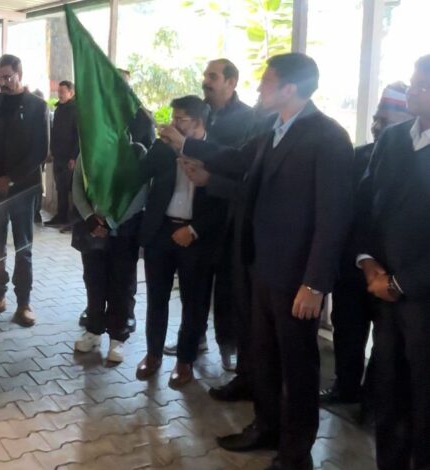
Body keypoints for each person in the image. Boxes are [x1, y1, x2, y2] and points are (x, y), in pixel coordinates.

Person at [167, 53, 354, 470]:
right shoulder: (274, 130)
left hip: (297, 278)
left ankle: (295, 454)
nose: (258, 88)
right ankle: (266, 427)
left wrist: (315, 283)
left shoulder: (328, 137)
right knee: (265, 357)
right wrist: (187, 145)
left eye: (266, 82)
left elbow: (333, 219)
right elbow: (236, 158)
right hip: (262, 267)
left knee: (297, 367)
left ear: (290, 88)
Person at [168, 59, 263, 402]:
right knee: (193, 288)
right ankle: (193, 341)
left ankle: (229, 347)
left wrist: (211, 178)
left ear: (231, 82)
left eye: (213, 76)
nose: (206, 81)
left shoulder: (249, 119)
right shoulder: (201, 112)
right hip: (196, 213)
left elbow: (242, 167)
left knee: (227, 289)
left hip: (228, 216)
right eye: (205, 75)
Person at [355, 55, 430, 470]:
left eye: (422, 86)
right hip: (383, 293)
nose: (412, 91)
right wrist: (368, 262)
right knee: (389, 393)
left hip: (421, 298)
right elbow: (368, 204)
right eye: (414, 83)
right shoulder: (393, 138)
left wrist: (403, 283)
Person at [321, 83, 412, 409]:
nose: (377, 126)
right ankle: (345, 388)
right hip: (352, 263)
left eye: (386, 120)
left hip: (390, 271)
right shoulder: (356, 156)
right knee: (347, 329)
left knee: (386, 343)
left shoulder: (416, 163)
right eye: (376, 118)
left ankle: (374, 400)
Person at [135, 95, 227, 389]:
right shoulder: (163, 147)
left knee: (194, 302)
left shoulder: (216, 152)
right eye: (173, 118)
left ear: (198, 122)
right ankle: (153, 355)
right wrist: (157, 145)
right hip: (161, 231)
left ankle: (184, 360)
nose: (173, 124)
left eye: (180, 119)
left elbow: (223, 202)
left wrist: (195, 229)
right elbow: (141, 173)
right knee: (156, 298)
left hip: (196, 237)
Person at [0, 54, 50, 327]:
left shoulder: (37, 106)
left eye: (8, 77)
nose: (3, 82)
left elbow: (40, 150)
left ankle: (24, 303)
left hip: (22, 189)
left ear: (19, 74)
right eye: (0, 77)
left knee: (23, 247)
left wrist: (12, 179)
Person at [70, 149, 144, 363]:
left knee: (120, 285)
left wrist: (112, 221)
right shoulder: (88, 150)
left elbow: (139, 194)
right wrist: (89, 218)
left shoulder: (136, 153)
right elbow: (77, 187)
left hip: (123, 232)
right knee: (94, 281)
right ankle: (93, 330)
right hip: (93, 231)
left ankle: (117, 337)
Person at [46, 80, 78, 227]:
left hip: (69, 156)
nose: (60, 95)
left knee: (70, 188)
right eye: (59, 92)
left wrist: (73, 157)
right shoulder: (59, 109)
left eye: (63, 92)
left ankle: (71, 219)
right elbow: (55, 132)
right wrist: (52, 150)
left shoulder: (75, 110)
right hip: (58, 155)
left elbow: (78, 135)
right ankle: (61, 215)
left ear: (71, 93)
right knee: (60, 188)